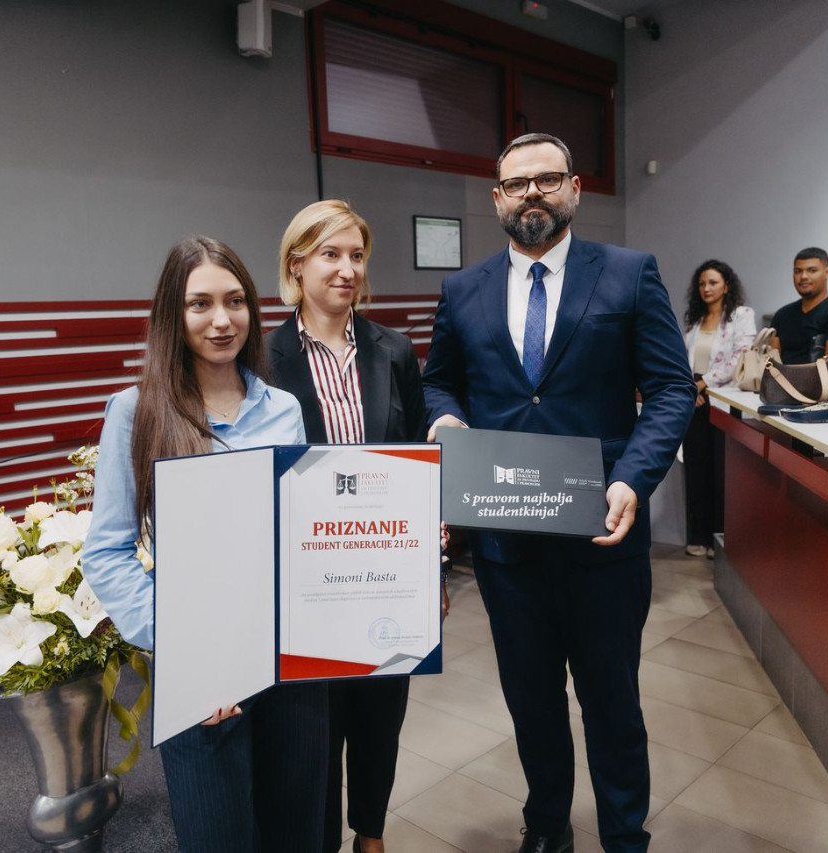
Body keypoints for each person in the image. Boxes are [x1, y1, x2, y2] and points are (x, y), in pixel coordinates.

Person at [423, 132, 695, 853]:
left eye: (548, 179)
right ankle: (547, 825)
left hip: (603, 534)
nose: (532, 193)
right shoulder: (463, 289)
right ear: (497, 199)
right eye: (518, 184)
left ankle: (624, 833)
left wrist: (632, 476)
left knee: (612, 701)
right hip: (507, 543)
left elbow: (671, 388)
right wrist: (445, 418)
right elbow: (439, 381)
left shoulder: (629, 273)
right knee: (532, 701)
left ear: (575, 188)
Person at [83, 236, 328, 852]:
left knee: (297, 832)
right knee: (219, 836)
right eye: (200, 304)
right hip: (203, 676)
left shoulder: (283, 408)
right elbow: (107, 553)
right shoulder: (136, 411)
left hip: (292, 661)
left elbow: (304, 531)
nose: (222, 320)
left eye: (235, 301)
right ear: (173, 313)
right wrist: (188, 651)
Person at [265, 199, 436, 853]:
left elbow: (418, 457)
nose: (346, 269)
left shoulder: (395, 350)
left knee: (380, 712)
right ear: (296, 264)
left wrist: (431, 565)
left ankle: (371, 832)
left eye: (356, 255)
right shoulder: (264, 355)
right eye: (330, 254)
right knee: (315, 721)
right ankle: (320, 839)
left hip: (387, 570)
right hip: (306, 575)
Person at [680, 260, 755, 558]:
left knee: (722, 471)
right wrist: (692, 387)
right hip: (695, 399)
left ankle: (719, 539)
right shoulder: (695, 320)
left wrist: (703, 384)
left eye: (712, 282)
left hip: (724, 400)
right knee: (695, 469)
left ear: (726, 285)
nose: (706, 288)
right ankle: (698, 536)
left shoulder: (741, 315)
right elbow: (684, 358)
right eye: (702, 284)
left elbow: (740, 357)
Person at [770, 247, 828, 376]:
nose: (803, 276)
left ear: (827, 273)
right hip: (781, 384)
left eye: (812, 270)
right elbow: (771, 361)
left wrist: (789, 378)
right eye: (798, 271)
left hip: (822, 387)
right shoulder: (782, 315)